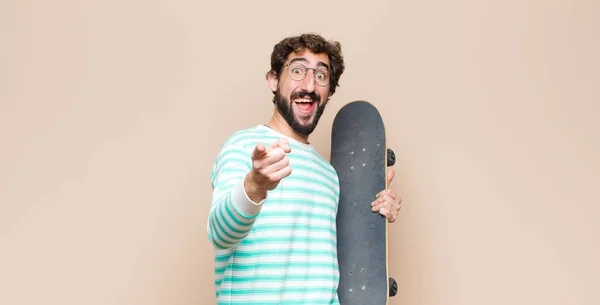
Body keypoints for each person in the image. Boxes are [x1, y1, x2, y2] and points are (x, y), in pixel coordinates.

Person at [208, 33, 403, 304]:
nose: (310, 85)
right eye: (298, 71)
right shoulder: (242, 146)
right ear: (274, 80)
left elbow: (328, 275)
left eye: (321, 76)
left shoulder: (328, 176)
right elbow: (220, 233)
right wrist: (255, 186)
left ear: (328, 92)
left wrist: (376, 211)